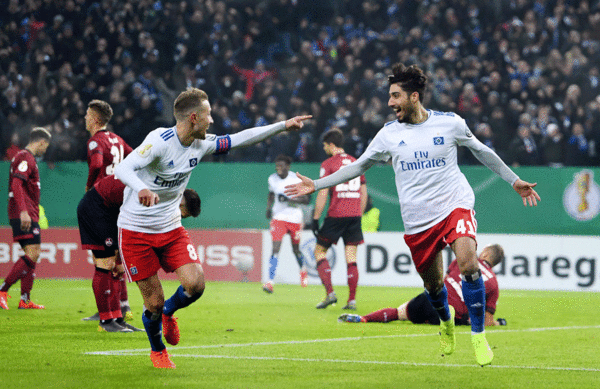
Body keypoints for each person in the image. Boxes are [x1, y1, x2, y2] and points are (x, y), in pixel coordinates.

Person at [285, 63, 540, 366]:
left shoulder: (450, 123)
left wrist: (514, 180)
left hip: (454, 204)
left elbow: (482, 150)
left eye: (395, 96)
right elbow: (357, 166)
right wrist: (316, 184)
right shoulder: (388, 135)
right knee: (433, 287)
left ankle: (478, 334)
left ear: (414, 96)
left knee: (469, 263)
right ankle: (446, 323)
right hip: (419, 221)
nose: (390, 103)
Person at [114, 87, 311, 369]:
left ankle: (171, 311)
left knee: (196, 285)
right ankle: (158, 350)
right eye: (208, 115)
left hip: (170, 227)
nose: (212, 121)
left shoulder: (201, 143)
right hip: (135, 230)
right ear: (193, 117)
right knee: (152, 304)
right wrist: (142, 188)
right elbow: (123, 169)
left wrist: (282, 126)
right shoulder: (159, 141)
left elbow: (241, 138)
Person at [77, 174, 200, 332]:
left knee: (115, 265)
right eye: (184, 213)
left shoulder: (165, 190)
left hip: (114, 210)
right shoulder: (159, 194)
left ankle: (117, 319)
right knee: (105, 263)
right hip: (98, 207)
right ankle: (106, 321)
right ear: (180, 202)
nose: (180, 216)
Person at [339, 244, 507, 327]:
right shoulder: (493, 283)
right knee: (468, 320)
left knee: (399, 313)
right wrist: (499, 323)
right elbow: (487, 320)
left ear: (484, 253)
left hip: (431, 299)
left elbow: (443, 279)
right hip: (450, 314)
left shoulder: (463, 261)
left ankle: (364, 318)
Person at [82, 99, 135, 322]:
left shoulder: (96, 141)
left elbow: (96, 164)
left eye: (87, 113)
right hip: (120, 201)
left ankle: (109, 312)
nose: (84, 117)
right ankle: (121, 306)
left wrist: (89, 187)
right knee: (115, 257)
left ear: (95, 119)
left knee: (103, 260)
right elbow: (135, 157)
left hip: (102, 202)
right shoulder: (118, 139)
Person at [311, 128, 367, 310]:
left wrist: (315, 218)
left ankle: (330, 294)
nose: (324, 149)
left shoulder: (328, 164)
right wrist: (358, 212)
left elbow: (323, 191)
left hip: (336, 215)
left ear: (332, 145)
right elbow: (363, 192)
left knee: (319, 252)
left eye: (325, 146)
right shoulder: (356, 162)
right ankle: (352, 300)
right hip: (354, 216)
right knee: (351, 258)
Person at [1, 127, 52, 310]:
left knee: (33, 253)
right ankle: (2, 290)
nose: (45, 150)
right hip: (24, 214)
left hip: (29, 213)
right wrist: (23, 211)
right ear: (41, 142)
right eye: (45, 146)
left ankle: (25, 299)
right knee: (33, 253)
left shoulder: (27, 158)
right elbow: (16, 183)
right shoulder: (25, 157)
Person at [263, 154, 310, 293]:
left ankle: (303, 270)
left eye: (281, 166)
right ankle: (270, 281)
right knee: (275, 248)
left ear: (288, 167)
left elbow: (306, 199)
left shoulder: (295, 180)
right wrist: (268, 208)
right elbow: (271, 194)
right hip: (278, 217)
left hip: (294, 218)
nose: (278, 168)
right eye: (277, 166)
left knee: (295, 250)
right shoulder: (272, 179)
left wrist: (289, 200)